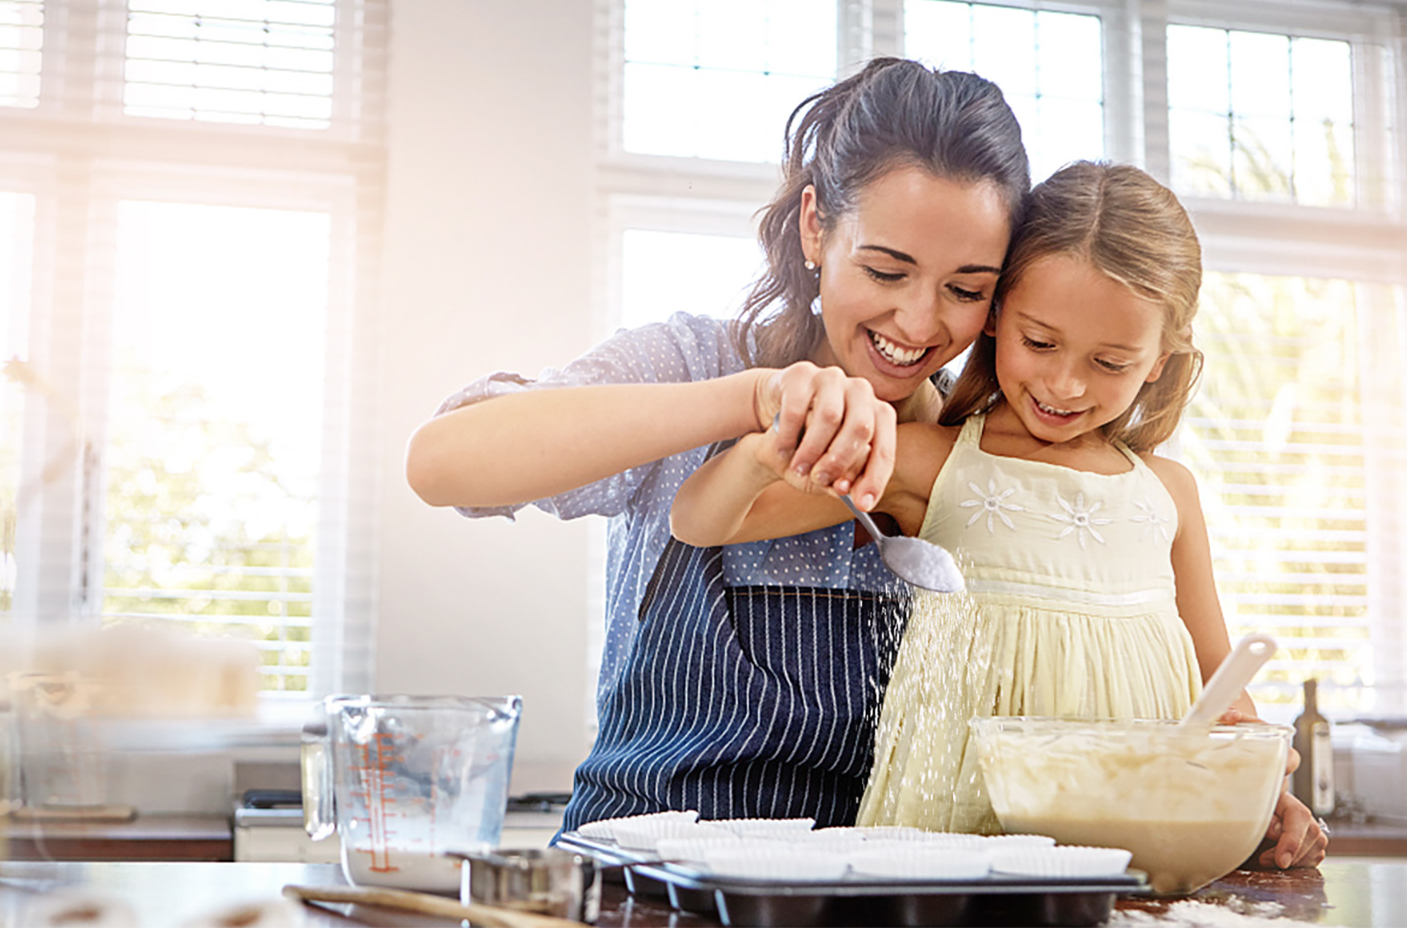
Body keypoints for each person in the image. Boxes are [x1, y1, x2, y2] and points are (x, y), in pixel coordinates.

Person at [406, 57, 1027, 829]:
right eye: (885, 271)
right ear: (815, 226)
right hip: (640, 869)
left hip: (865, 879)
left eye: (966, 290)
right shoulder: (693, 363)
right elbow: (443, 465)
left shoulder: (976, 447)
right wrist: (752, 398)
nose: (919, 322)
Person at [669, 161, 1328, 868]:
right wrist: (768, 450)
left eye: (1110, 363)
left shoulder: (1169, 493)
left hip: (1143, 849)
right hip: (955, 843)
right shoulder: (930, 460)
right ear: (993, 317)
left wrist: (1260, 789)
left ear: (1159, 360)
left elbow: (1222, 689)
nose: (1064, 384)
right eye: (1039, 342)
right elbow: (700, 521)